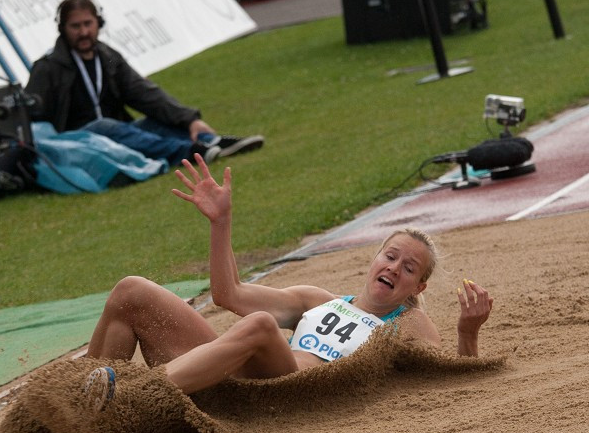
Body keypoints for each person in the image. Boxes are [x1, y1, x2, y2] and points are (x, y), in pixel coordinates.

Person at [82, 155, 493, 407]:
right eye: (390, 256)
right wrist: (221, 223)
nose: (394, 268)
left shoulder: (407, 323)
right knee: (131, 290)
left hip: (282, 396)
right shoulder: (318, 300)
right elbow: (228, 295)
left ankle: (137, 396)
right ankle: (79, 396)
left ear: (418, 288)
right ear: (374, 259)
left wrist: (467, 332)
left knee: (261, 325)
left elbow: (453, 385)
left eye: (408, 269)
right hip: (227, 374)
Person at [25, 0, 264, 168]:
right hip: (77, 141)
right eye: (75, 26)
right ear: (62, 29)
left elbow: (144, 93)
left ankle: (212, 141)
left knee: (153, 122)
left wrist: (189, 119)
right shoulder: (48, 67)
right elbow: (32, 117)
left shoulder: (108, 58)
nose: (83, 32)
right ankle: (192, 153)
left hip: (119, 132)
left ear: (99, 23)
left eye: (88, 24)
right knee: (105, 126)